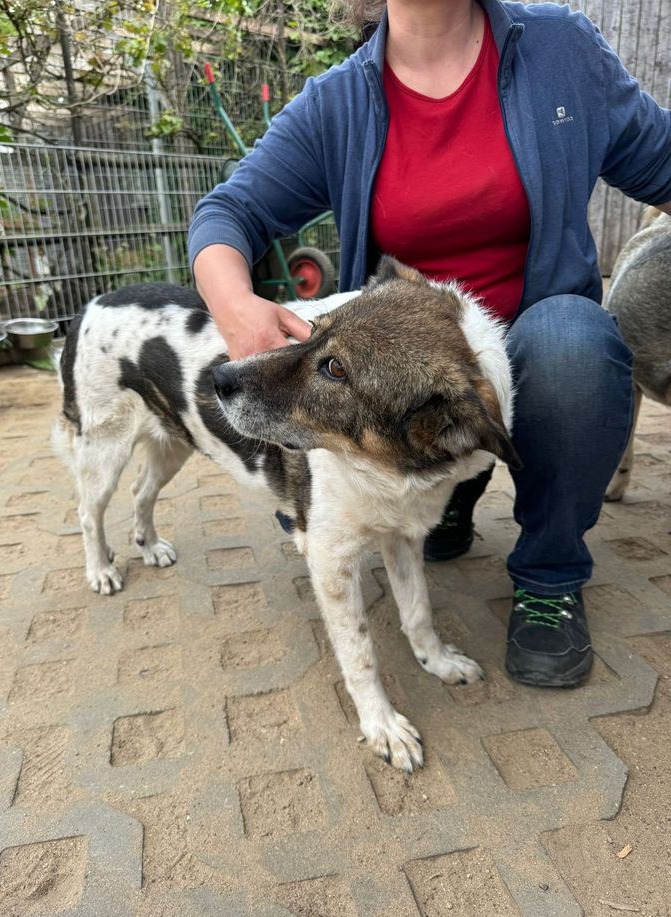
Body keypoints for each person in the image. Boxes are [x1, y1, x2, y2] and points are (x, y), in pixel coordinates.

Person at [188, 0, 671, 688]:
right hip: (403, 382)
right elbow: (228, 212)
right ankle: (445, 503)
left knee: (575, 346)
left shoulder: (562, 51)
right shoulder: (340, 100)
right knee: (391, 441)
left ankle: (549, 575)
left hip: (531, 348)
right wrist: (235, 306)